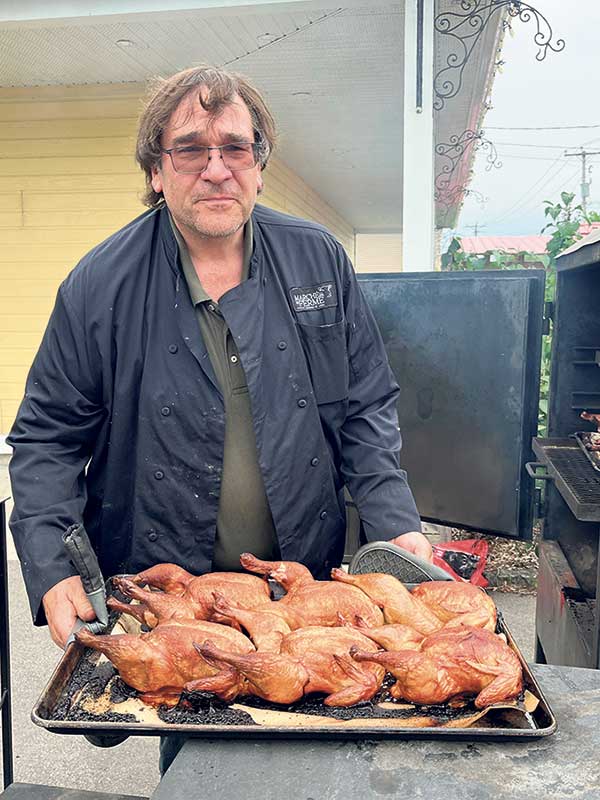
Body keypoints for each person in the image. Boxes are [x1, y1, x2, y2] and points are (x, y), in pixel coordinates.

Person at [8, 65, 429, 761]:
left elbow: (365, 408)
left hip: (302, 584)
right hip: (179, 596)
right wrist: (53, 564)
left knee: (314, 742)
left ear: (260, 166)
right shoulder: (99, 285)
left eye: (235, 147)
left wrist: (397, 527)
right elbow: (47, 436)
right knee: (198, 754)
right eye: (190, 149)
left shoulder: (317, 260)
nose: (216, 169)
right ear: (156, 170)